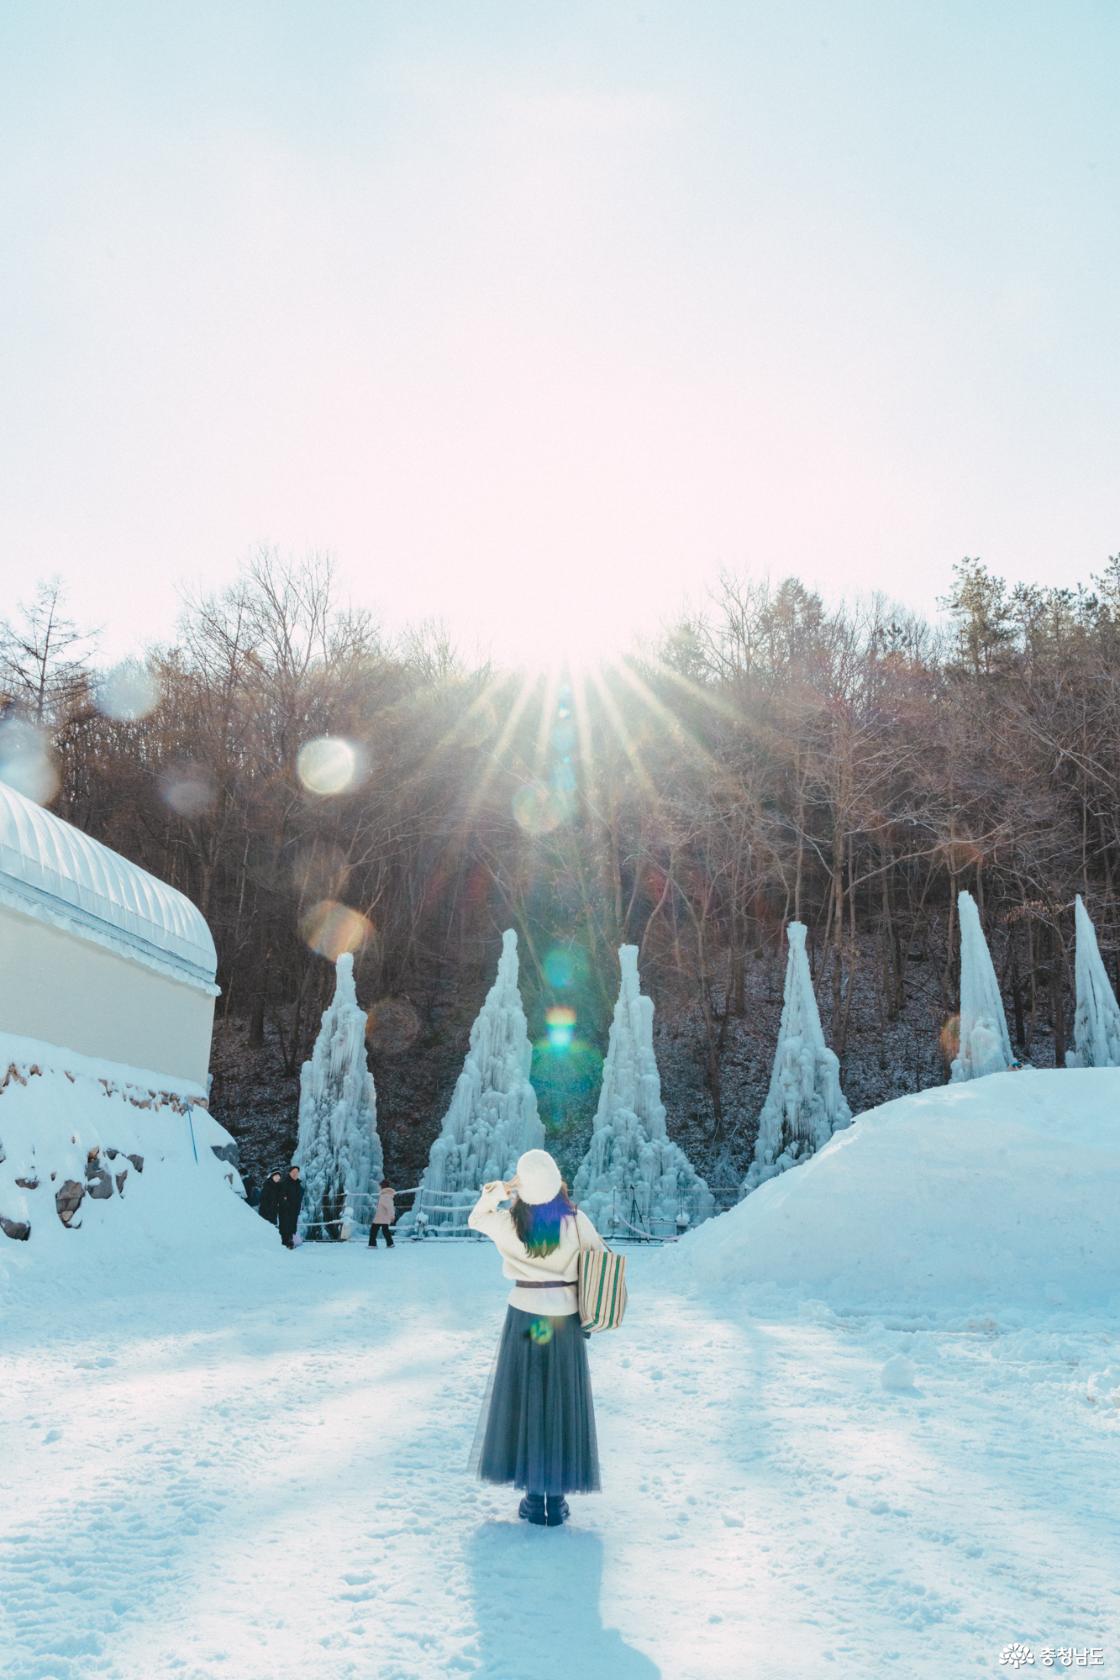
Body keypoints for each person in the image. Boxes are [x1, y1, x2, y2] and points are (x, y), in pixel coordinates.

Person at [467, 1148, 604, 1527]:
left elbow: (477, 1218)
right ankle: (556, 1500)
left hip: (526, 1317)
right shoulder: (576, 1221)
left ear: (524, 1187)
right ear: (557, 1181)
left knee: (527, 1399)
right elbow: (601, 1257)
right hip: (562, 1319)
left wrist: (498, 1191)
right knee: (560, 1400)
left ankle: (532, 1496)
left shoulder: (510, 1223)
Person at [278, 1164, 302, 1249]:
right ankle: (286, 1242)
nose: (295, 1174)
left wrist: (298, 1208)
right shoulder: (285, 1183)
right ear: (290, 1173)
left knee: (292, 1226)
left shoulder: (298, 1184)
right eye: (293, 1172)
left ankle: (291, 1241)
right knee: (285, 1226)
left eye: (297, 1172)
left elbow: (299, 1198)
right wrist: (286, 1205)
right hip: (286, 1210)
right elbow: (282, 1196)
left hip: (295, 1210)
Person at [368, 1179, 397, 1247]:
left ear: (383, 1186)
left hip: (381, 1217)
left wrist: (392, 1216)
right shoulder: (386, 1194)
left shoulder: (385, 1196)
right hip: (383, 1216)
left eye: (380, 1185)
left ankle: (372, 1244)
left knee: (373, 1230)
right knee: (385, 1230)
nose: (379, 1187)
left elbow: (390, 1207)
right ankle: (390, 1243)